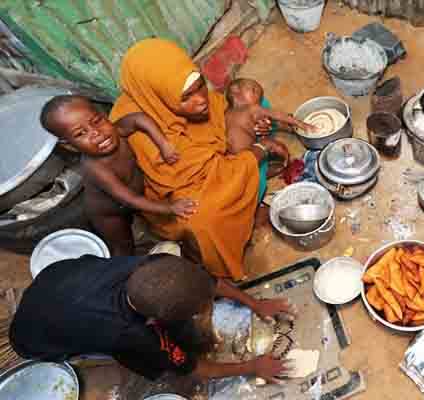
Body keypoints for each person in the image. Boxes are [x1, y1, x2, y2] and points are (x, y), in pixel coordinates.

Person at [110, 38, 280, 280]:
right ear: (160, 96)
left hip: (216, 163)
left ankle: (252, 189)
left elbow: (220, 107)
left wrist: (247, 123)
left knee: (257, 107)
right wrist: (261, 148)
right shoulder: (139, 130)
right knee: (206, 220)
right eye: (186, 97)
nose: (201, 100)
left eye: (200, 85)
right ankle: (245, 215)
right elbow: (201, 178)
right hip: (186, 195)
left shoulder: (183, 87)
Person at [10, 254, 291, 382]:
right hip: (36, 340)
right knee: (158, 359)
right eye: (200, 310)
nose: (208, 309)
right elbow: (191, 368)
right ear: (157, 321)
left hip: (53, 283)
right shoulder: (127, 332)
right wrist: (253, 366)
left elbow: (206, 282)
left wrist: (254, 303)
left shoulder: (153, 267)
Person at [39, 95, 197, 256]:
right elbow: (130, 199)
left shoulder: (117, 131)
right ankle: (125, 269)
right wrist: (170, 207)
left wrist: (163, 144)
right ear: (69, 146)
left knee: (142, 222)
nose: (96, 133)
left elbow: (139, 118)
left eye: (96, 121)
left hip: (132, 200)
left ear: (103, 114)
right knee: (123, 246)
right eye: (80, 133)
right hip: (109, 214)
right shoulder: (96, 168)